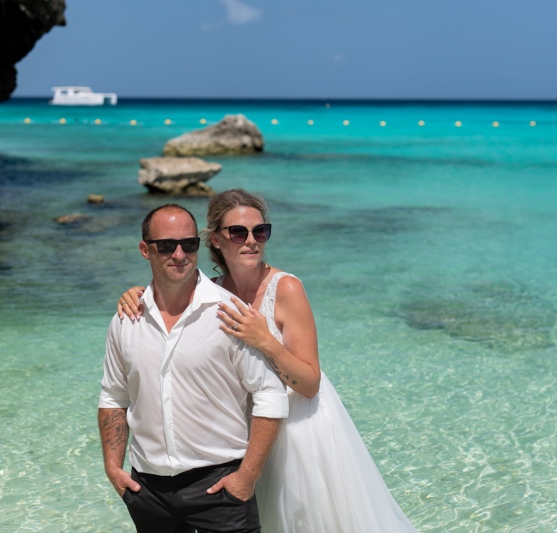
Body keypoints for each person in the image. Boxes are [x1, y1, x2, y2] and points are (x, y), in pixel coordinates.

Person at [117, 190, 418, 533]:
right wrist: (136, 294)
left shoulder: (286, 288)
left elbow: (310, 382)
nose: (251, 241)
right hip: (245, 434)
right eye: (238, 233)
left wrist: (266, 341)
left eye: (260, 232)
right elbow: (170, 291)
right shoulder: (210, 291)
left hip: (298, 432)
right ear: (215, 239)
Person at [99, 203, 289, 533]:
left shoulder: (229, 313)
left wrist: (247, 477)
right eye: (166, 245)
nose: (179, 254)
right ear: (145, 250)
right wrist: (113, 468)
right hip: (147, 489)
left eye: (189, 244)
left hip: (221, 486)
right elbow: (114, 397)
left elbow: (270, 395)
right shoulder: (126, 318)